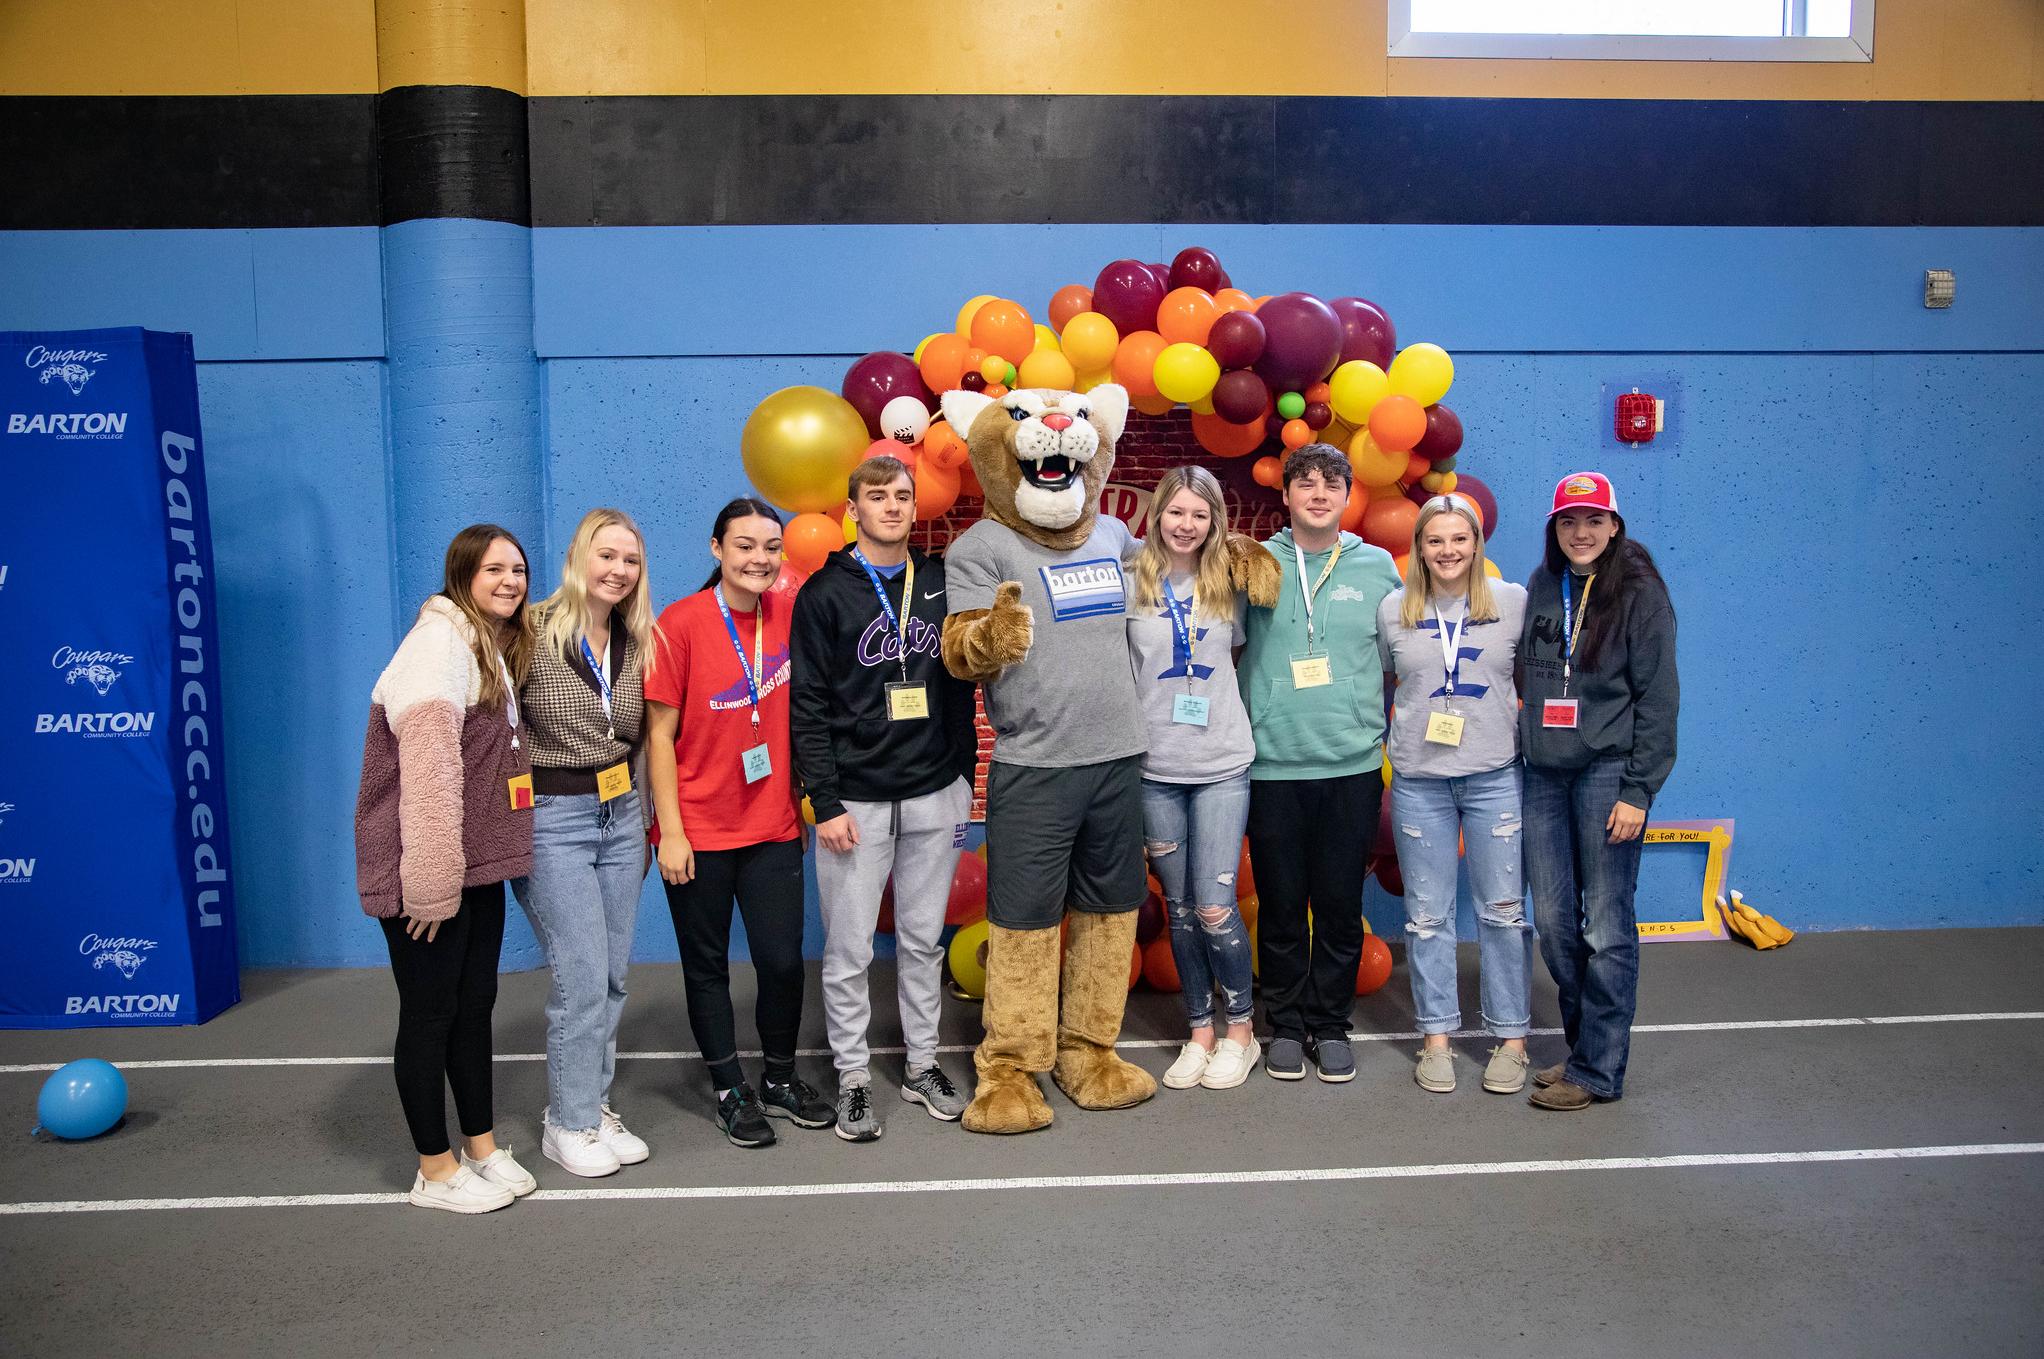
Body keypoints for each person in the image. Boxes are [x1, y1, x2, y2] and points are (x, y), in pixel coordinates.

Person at [791, 456, 978, 1141]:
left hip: (934, 789)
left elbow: (960, 683)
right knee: (849, 949)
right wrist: (825, 799)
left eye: (902, 495)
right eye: (879, 496)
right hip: (856, 801)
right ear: (854, 507)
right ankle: (853, 1078)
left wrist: (965, 774)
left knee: (925, 941)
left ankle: (921, 1064)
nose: (893, 506)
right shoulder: (825, 593)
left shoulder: (938, 581)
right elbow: (807, 704)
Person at [354, 524, 539, 1213]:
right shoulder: (437, 647)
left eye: (518, 569)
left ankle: (480, 1146)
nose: (510, 581)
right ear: (461, 573)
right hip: (428, 874)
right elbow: (429, 776)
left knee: (473, 1007)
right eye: (494, 569)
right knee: (431, 1013)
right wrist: (428, 886)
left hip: (474, 866)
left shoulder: (481, 643)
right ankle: (433, 1171)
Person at [645, 497, 834, 1147]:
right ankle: (730, 1089)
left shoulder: (790, 614)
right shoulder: (682, 622)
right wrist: (669, 830)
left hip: (773, 823)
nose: (759, 558)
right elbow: (658, 737)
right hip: (696, 831)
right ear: (716, 549)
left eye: (771, 546)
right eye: (745, 545)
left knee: (783, 962)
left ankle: (779, 1077)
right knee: (707, 968)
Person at [1236, 444, 1402, 1083]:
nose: (1319, 493)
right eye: (1305, 482)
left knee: (1336, 905)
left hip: (1352, 765)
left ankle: (1330, 1025)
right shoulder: (1255, 563)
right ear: (1286, 495)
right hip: (1274, 763)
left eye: (1333, 483)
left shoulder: (1378, 566)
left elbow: (1395, 656)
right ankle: (1284, 1024)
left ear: (1348, 495)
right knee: (1280, 905)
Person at [1519, 472, 1679, 1111]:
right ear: (1554, 530)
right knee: (1556, 922)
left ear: (1614, 526)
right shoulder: (1538, 586)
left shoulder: (1639, 594)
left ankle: (1598, 1070)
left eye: (1593, 520)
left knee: (1606, 923)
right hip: (1542, 773)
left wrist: (1638, 791)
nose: (1580, 533)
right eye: (1567, 521)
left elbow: (1659, 699)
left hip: (1607, 772)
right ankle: (1584, 1050)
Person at [511, 508, 654, 1176]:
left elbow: (645, 738)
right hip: (553, 817)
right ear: (577, 556)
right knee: (579, 977)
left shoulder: (637, 637)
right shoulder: (529, 631)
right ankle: (565, 1122)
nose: (618, 570)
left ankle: (593, 1107)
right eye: (607, 555)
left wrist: (648, 823)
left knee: (613, 973)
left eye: (630, 560)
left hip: (621, 815)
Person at [1376, 495, 1533, 1096]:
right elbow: (1382, 684)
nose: (1448, 551)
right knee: (1427, 917)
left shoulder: (1513, 604)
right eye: (1435, 540)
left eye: (1459, 540)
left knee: (1502, 913)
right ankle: (1436, 1038)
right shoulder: (1395, 610)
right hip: (1419, 781)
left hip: (1494, 774)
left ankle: (1511, 1039)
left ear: (1476, 544)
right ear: (1419, 547)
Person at [1125, 466, 1261, 1091]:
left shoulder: (1233, 582)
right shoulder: (1133, 582)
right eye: (1176, 513)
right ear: (1158, 516)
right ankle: (1199, 1030)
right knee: (1178, 909)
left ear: (1215, 522)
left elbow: (1250, 657)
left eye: (1199, 516)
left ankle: (1242, 1032)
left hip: (1220, 767)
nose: (1186, 526)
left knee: (1212, 905)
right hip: (1156, 769)